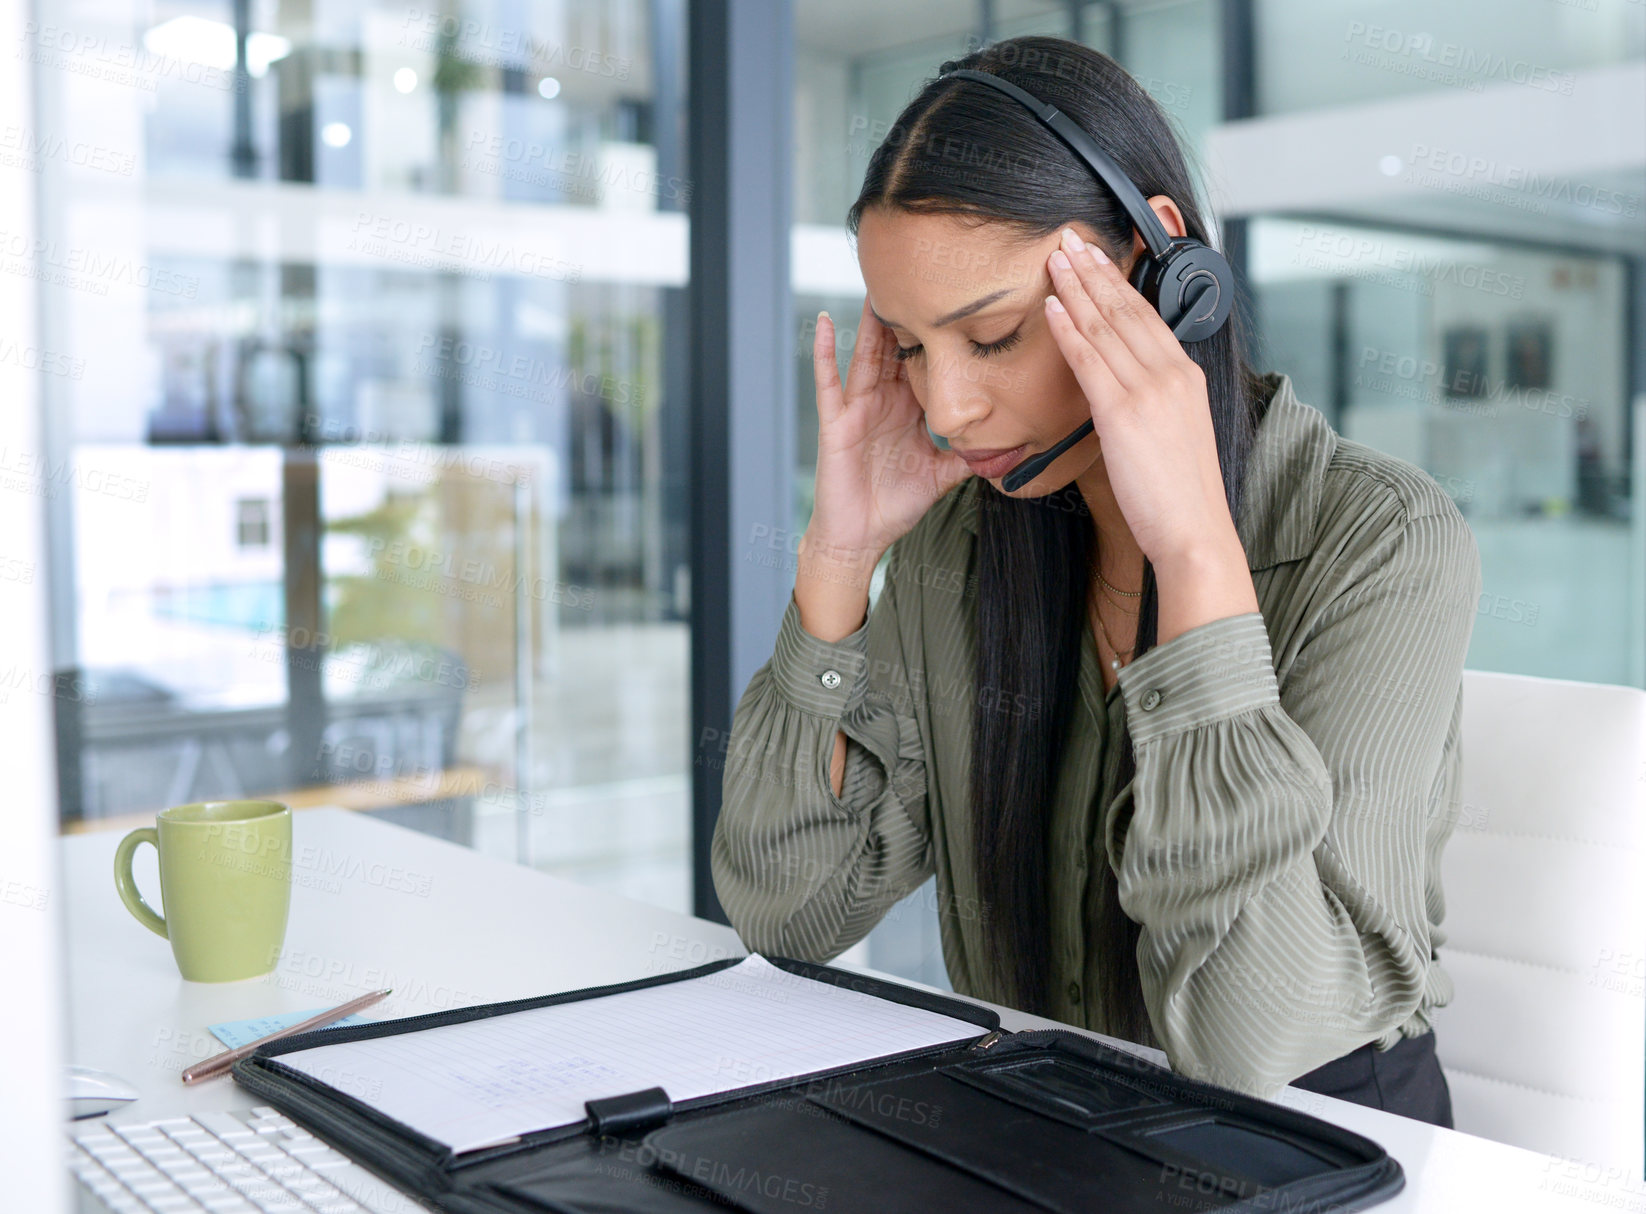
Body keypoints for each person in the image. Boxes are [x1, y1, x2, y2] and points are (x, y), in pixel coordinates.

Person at [710, 35, 1479, 1128]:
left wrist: (1196, 557)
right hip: (1050, 1133)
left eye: (993, 334)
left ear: (1164, 269)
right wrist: (838, 556)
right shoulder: (965, 540)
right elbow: (786, 912)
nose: (945, 409)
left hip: (1319, 1146)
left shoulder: (1379, 541)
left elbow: (1243, 1034)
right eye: (911, 348)